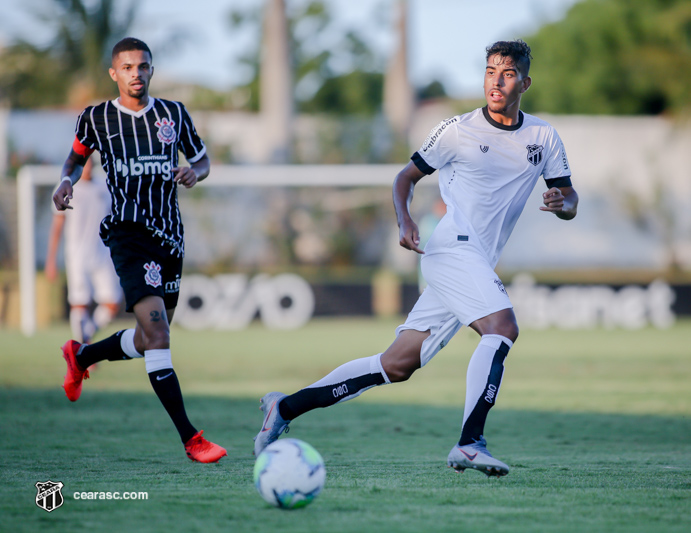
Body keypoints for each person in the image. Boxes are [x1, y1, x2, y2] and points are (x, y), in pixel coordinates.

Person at [253, 39, 578, 477]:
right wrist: (404, 219)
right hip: (450, 248)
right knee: (502, 328)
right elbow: (405, 178)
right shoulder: (457, 130)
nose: (496, 81)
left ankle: (285, 406)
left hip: (476, 261)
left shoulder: (542, 136)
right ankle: (469, 443)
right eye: (489, 71)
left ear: (525, 81)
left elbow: (569, 196)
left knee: (397, 365)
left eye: (506, 73)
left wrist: (564, 202)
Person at [53, 37, 226, 463]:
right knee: (160, 335)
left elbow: (203, 160)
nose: (136, 73)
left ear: (151, 70)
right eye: (127, 67)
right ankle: (192, 438)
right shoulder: (95, 119)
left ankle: (83, 354)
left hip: (170, 236)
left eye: (143, 66)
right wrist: (66, 181)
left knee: (152, 339)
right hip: (128, 235)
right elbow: (74, 160)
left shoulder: (173, 114)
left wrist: (194, 173)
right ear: (114, 73)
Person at [46, 157, 121, 345]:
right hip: (77, 254)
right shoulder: (68, 188)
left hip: (103, 253)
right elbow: (57, 226)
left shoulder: (104, 187)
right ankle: (82, 349)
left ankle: (85, 338)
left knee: (112, 303)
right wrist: (51, 259)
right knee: (80, 302)